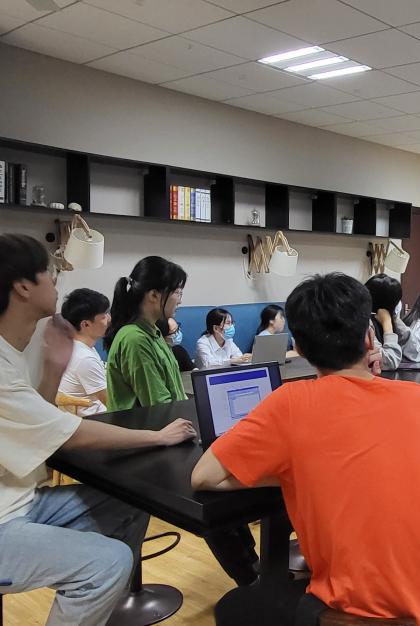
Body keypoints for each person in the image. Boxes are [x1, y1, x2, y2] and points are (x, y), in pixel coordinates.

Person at [192, 273, 420, 626]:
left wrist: (295, 474)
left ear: (300, 349)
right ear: (369, 337)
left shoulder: (291, 404)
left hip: (362, 619)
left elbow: (204, 476)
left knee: (236, 606)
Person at [0, 234, 195, 626]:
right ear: (23, 287)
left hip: (22, 501)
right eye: (50, 274)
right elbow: (71, 433)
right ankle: (99, 583)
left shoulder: (24, 349)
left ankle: (98, 604)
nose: (58, 284)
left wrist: (54, 368)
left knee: (133, 500)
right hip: (6, 518)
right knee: (108, 562)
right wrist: (159, 436)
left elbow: (36, 421)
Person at [104, 257, 259, 587]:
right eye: (177, 292)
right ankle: (249, 577)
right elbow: (158, 406)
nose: (180, 300)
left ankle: (254, 566)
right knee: (210, 497)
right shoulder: (134, 339)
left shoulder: (152, 334)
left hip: (173, 434)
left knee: (226, 483)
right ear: (154, 296)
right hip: (149, 446)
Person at [58, 288, 110, 416]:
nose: (109, 319)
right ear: (86, 324)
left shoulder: (78, 347)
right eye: (103, 316)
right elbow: (113, 403)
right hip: (95, 419)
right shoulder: (84, 359)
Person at [365, 274, 413, 371]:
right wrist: (387, 324)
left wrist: (393, 318)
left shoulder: (391, 319)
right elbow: (390, 361)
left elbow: (415, 353)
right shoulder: (365, 323)